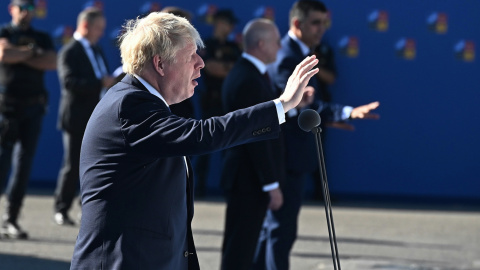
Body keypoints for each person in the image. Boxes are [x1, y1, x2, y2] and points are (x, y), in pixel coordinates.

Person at [69, 12, 319, 269]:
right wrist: (282, 105)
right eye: (190, 56)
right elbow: (202, 135)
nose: (201, 62)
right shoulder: (129, 105)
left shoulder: (141, 102)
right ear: (160, 64)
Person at [254, 1, 380, 269]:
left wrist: (328, 119)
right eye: (315, 23)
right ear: (297, 24)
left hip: (293, 154)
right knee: (280, 231)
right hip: (285, 156)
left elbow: (304, 108)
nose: (321, 29)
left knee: (273, 231)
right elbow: (295, 106)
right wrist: (346, 112)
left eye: (324, 22)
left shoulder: (303, 52)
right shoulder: (287, 56)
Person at [220, 19, 291, 270]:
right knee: (240, 251)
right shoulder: (248, 78)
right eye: (276, 41)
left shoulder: (252, 74)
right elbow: (256, 138)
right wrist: (271, 184)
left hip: (247, 179)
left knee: (245, 248)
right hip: (247, 180)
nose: (280, 45)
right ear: (261, 44)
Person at [0, 0, 56, 239]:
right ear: (11, 9)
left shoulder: (42, 36)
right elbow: (4, 53)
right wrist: (33, 53)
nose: (26, 13)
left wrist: (20, 54)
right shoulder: (4, 32)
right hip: (7, 107)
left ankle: (11, 219)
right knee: (2, 163)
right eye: (21, 7)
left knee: (23, 166)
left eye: (30, 8)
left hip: (33, 107)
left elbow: (52, 61)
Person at [54, 7, 114, 226]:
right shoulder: (69, 51)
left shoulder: (97, 49)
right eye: (98, 28)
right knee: (72, 165)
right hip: (76, 117)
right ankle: (61, 209)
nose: (101, 33)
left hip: (97, 118)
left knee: (95, 166)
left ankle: (87, 209)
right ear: (86, 25)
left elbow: (103, 78)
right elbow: (69, 84)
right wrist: (101, 83)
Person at [195, 9, 241, 196]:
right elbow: (210, 68)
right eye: (228, 23)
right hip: (211, 101)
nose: (230, 27)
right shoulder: (207, 45)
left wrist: (225, 67)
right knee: (205, 145)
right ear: (219, 23)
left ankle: (229, 188)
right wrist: (227, 68)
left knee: (229, 148)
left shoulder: (234, 46)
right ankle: (199, 188)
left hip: (229, 103)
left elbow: (239, 70)